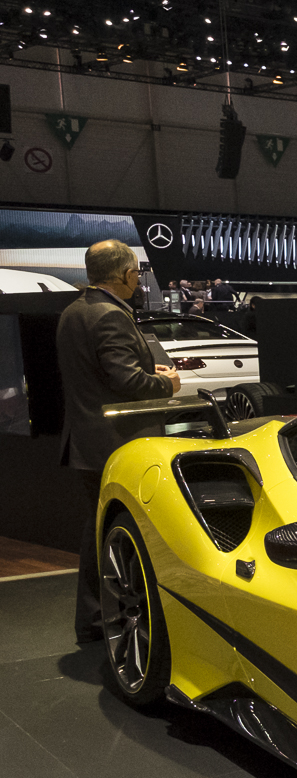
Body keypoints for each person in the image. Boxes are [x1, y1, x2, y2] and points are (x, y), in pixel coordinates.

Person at [57, 240, 180, 645]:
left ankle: (94, 618)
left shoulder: (75, 311)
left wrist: (147, 367)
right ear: (127, 275)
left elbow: (102, 374)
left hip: (90, 441)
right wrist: (166, 381)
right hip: (118, 443)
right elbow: (126, 382)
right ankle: (106, 619)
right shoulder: (110, 316)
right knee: (114, 532)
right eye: (136, 275)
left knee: (99, 531)